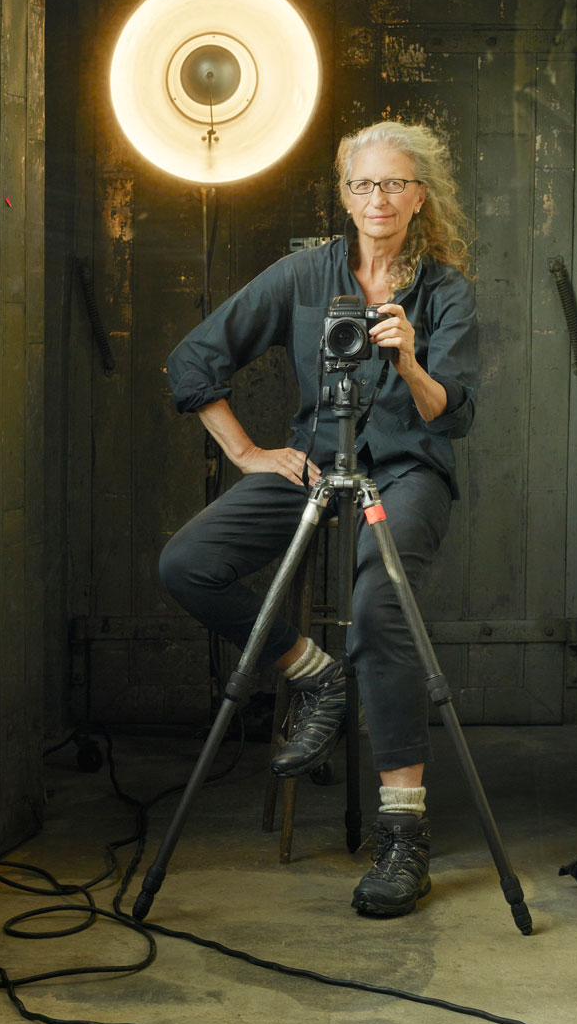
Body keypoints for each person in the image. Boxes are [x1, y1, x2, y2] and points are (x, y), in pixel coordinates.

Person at [159, 120, 477, 917]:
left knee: (381, 601)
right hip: (312, 460)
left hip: (406, 470)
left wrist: (408, 358)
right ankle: (315, 674)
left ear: (420, 198)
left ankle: (404, 835)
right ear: (345, 194)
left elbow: (451, 417)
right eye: (363, 185)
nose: (379, 199)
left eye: (395, 184)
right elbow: (194, 358)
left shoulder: (444, 291)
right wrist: (246, 452)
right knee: (187, 562)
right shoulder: (305, 275)